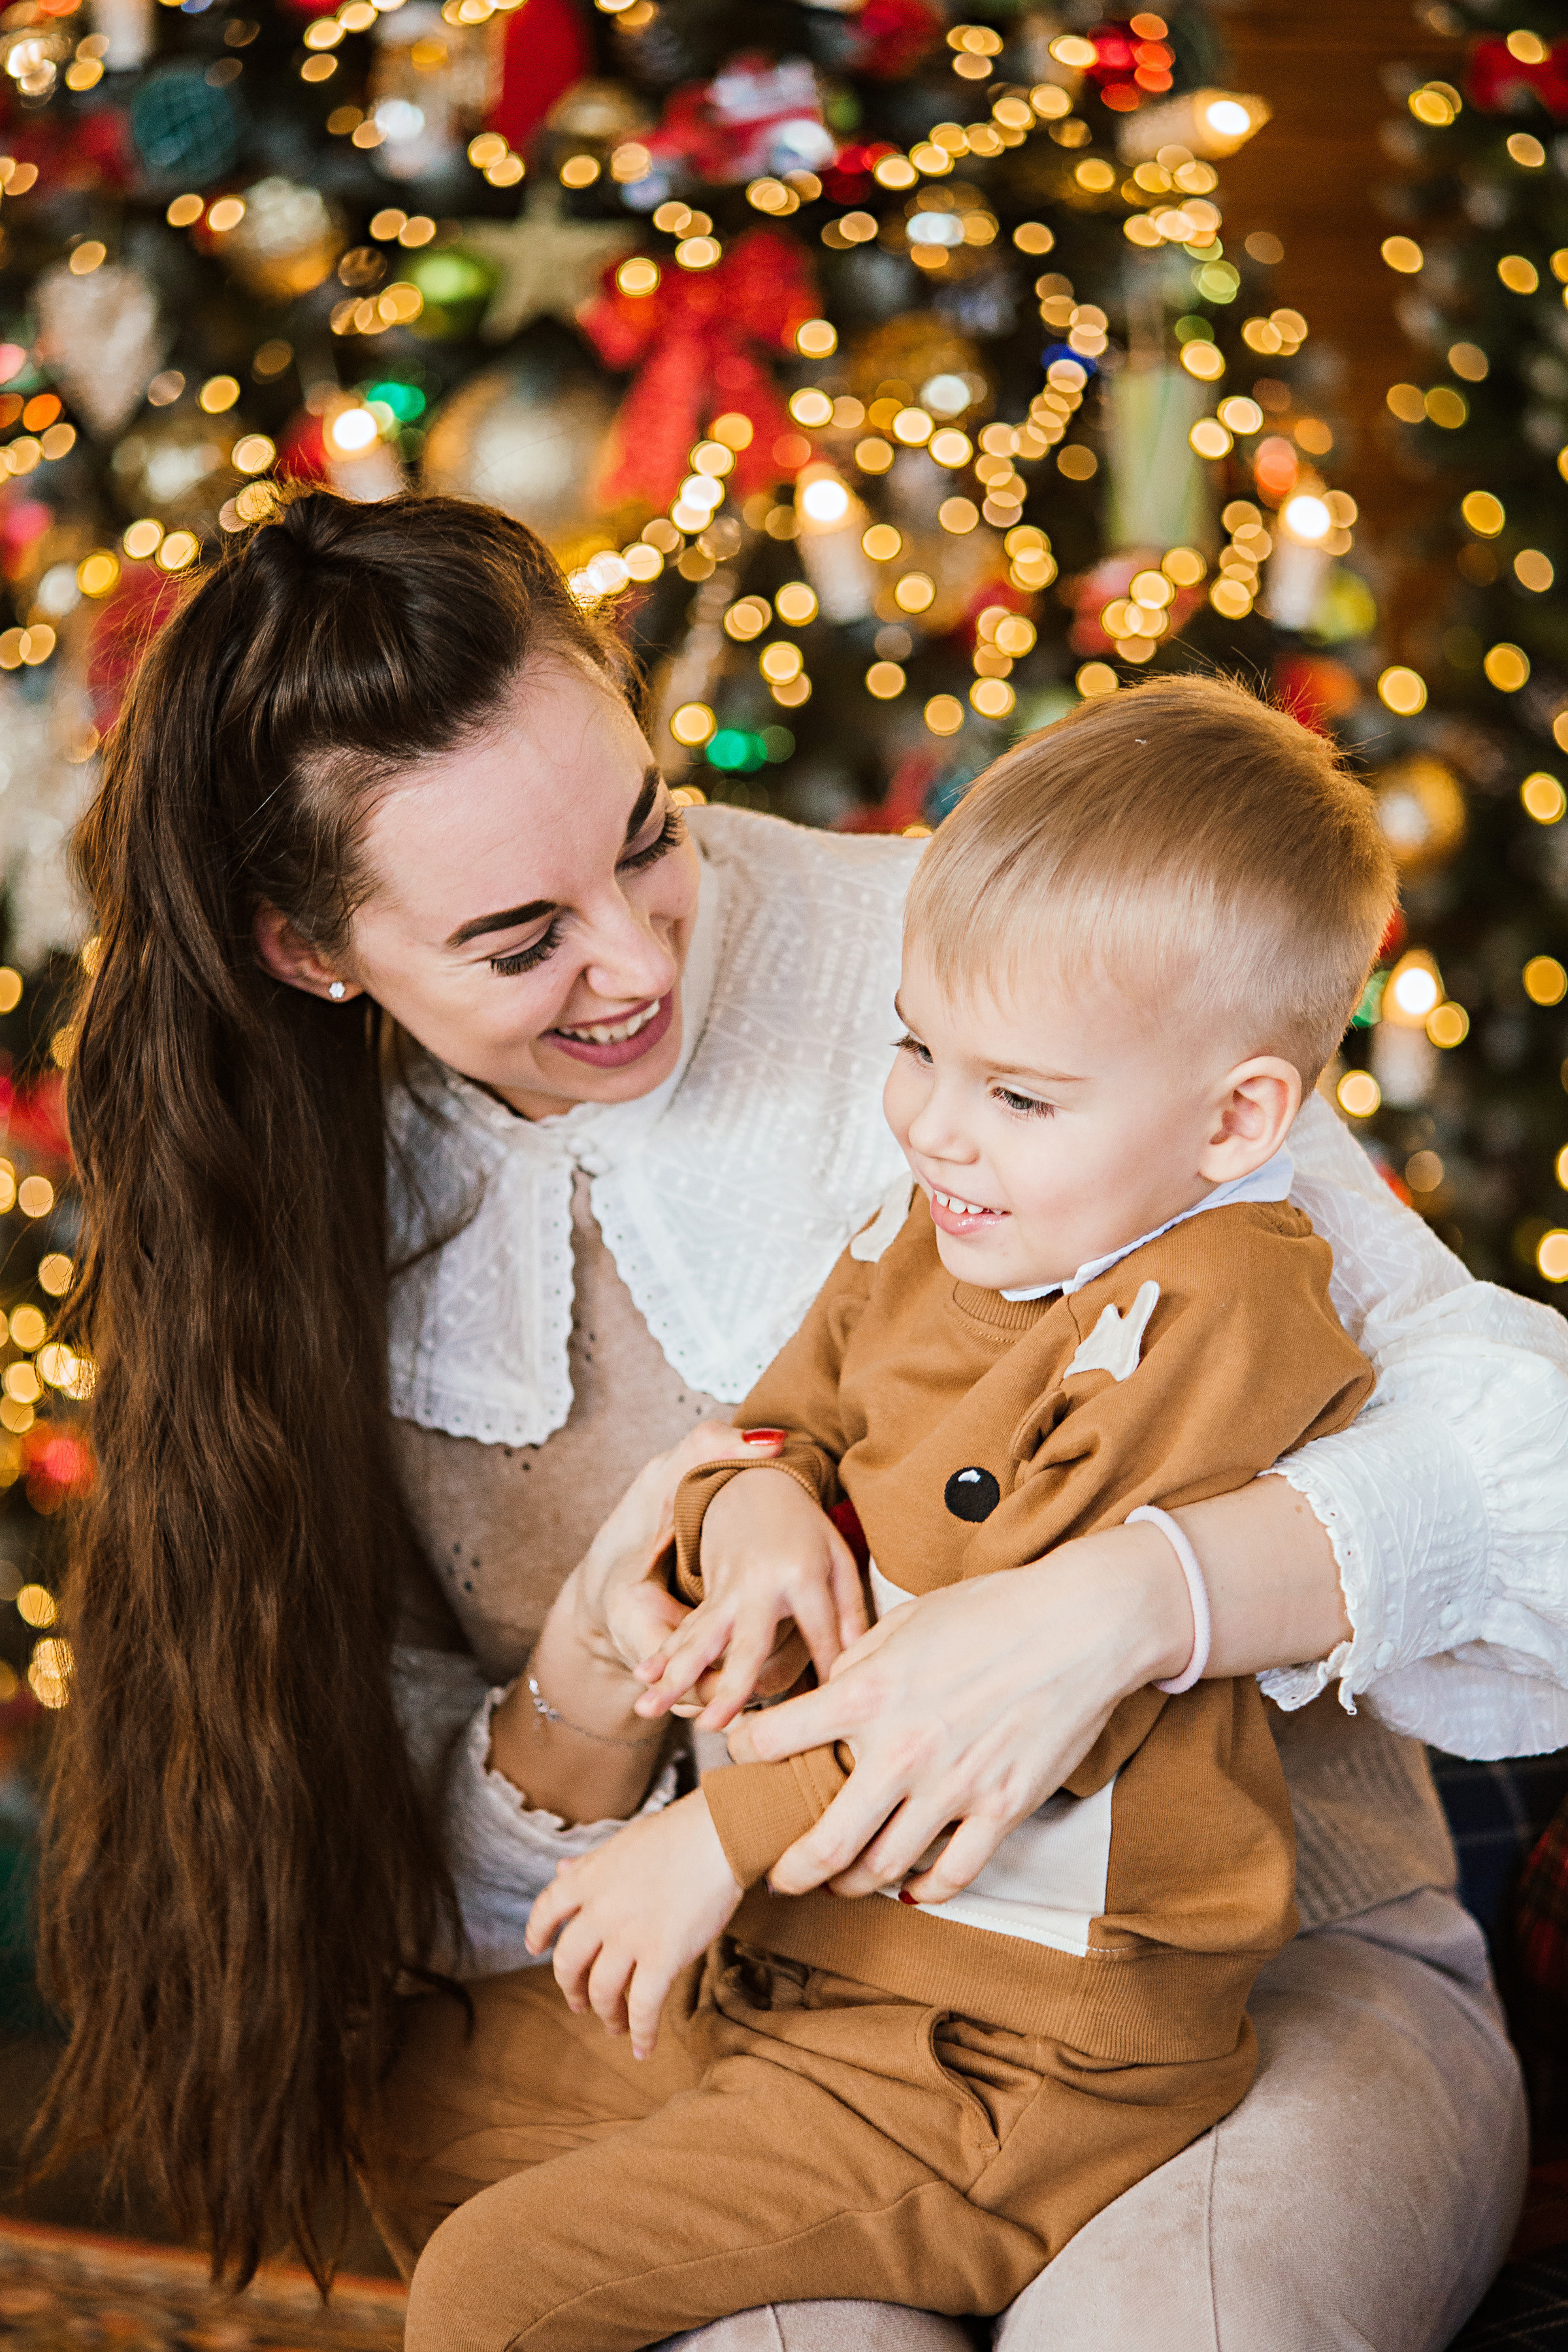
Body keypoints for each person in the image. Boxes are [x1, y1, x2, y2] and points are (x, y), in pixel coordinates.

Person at [39, 490, 1562, 2351]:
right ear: (309, 951)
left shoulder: (973, 961)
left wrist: (1124, 1605)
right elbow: (389, 1872)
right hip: (768, 2023)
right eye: (522, 941)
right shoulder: (299, 1214)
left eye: (646, 838)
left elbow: (1517, 1455)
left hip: (1252, 1990)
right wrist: (596, 1698)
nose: (638, 959)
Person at [390, 679, 1391, 2351]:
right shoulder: (935, 1230)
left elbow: (1016, 1694)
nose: (932, 1123)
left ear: (1234, 1121)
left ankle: (951, 2240)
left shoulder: (1220, 1310)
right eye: (917, 1048)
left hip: (1012, 2048)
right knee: (399, 2098)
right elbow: (791, 1411)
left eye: (1019, 1094)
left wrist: (703, 1837)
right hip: (811, 1968)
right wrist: (765, 1501)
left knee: (488, 2290)